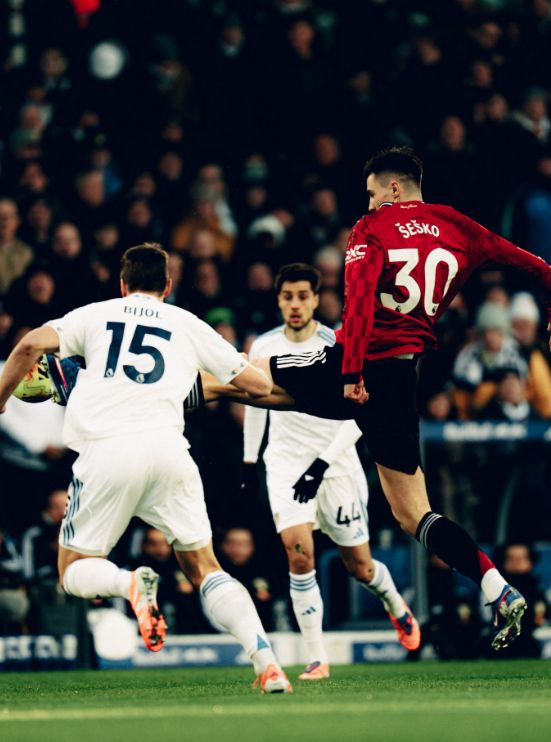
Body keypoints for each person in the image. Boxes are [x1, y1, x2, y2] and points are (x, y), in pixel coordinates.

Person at [227, 147, 551, 651]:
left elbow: (357, 304)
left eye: (373, 192)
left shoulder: (372, 227)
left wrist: (351, 372)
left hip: (359, 364)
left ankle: (154, 384)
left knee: (245, 375)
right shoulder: (458, 226)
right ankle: (496, 587)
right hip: (403, 380)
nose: (369, 202)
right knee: (414, 515)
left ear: (393, 188)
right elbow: (534, 264)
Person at [0, 243, 292, 693]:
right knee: (206, 568)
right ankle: (267, 663)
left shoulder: (94, 315)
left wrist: (1, 399)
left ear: (122, 284)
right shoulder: (187, 323)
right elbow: (256, 385)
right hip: (169, 452)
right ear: (168, 285)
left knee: (72, 571)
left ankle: (130, 583)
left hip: (108, 452)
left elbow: (30, 345)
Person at [243, 263, 420, 680]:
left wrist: (322, 464)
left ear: (316, 300)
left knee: (360, 567)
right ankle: (317, 657)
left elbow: (359, 414)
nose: (295, 305)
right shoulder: (263, 347)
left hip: (336, 464)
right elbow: (253, 400)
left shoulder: (337, 343)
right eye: (288, 297)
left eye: (303, 296)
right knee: (298, 554)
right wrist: (250, 460)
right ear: (279, 300)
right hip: (286, 463)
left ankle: (395, 603)